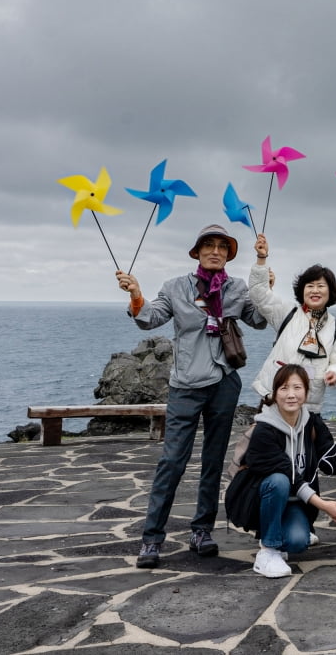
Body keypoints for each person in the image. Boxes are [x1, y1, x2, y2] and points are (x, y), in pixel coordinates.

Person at [116, 224, 266, 569]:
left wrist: (263, 289)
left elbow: (257, 320)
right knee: (172, 462)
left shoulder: (237, 288)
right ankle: (152, 538)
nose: (216, 251)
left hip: (225, 383)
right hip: (185, 385)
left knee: (213, 462)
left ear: (229, 254)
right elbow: (149, 318)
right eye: (208, 246)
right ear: (196, 252)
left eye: (222, 247)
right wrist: (137, 294)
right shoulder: (175, 287)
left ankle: (202, 531)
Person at [243, 364, 336, 578]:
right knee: (279, 480)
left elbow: (330, 465)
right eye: (283, 388)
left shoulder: (312, 423)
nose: (291, 395)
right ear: (274, 394)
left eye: (297, 388)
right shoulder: (264, 428)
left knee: (298, 542)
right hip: (261, 500)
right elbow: (290, 477)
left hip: (295, 502)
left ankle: (283, 531)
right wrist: (324, 505)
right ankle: (267, 551)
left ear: (307, 392)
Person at [248, 233, 336, 417]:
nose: (315, 290)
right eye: (310, 286)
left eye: (321, 286)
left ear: (330, 292)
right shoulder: (288, 313)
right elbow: (258, 294)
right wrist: (261, 259)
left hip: (309, 404)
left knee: (306, 446)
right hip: (275, 397)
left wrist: (335, 373)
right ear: (301, 290)